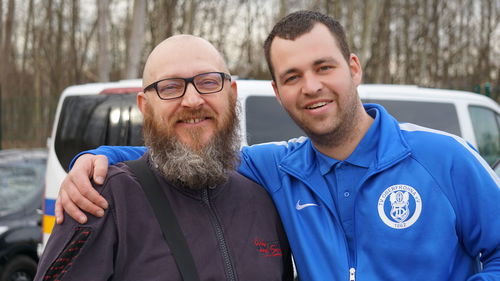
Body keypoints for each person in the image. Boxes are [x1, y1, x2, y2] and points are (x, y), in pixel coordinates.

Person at [56, 11, 500, 281]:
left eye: (323, 67)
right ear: (276, 88)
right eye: (292, 77)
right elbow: (186, 144)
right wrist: (97, 159)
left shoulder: (445, 158)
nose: (311, 87)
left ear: (353, 67)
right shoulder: (277, 169)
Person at [35, 35, 293, 281]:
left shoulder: (263, 202)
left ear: (231, 93)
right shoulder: (102, 200)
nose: (192, 100)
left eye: (208, 82)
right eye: (170, 87)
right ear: (144, 107)